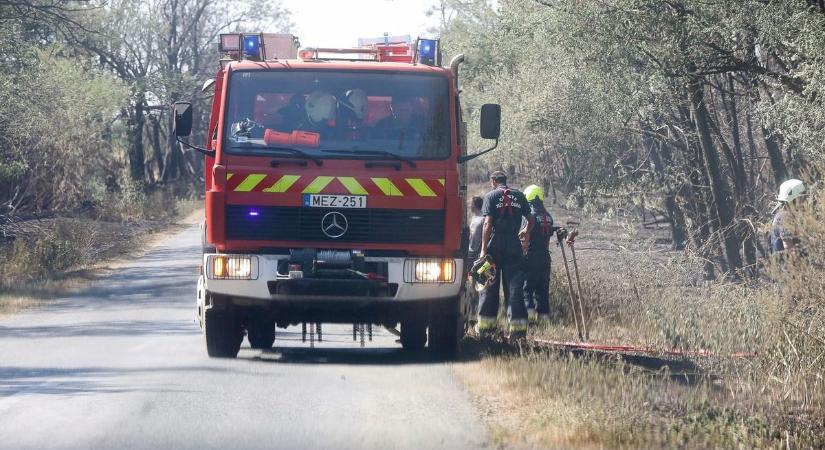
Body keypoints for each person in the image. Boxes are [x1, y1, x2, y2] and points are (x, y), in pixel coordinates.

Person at [477, 171, 534, 339]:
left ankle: (486, 330)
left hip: (495, 245)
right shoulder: (519, 195)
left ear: (493, 181)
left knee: (489, 286)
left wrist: (483, 249)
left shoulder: (490, 196)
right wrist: (525, 231)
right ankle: (518, 332)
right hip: (514, 246)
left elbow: (487, 223)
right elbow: (531, 219)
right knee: (515, 289)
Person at [521, 185, 554, 325]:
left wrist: (523, 254)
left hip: (531, 256)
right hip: (545, 257)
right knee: (542, 290)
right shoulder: (548, 216)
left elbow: (526, 237)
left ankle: (529, 319)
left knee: (526, 288)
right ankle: (544, 320)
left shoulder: (530, 217)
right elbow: (547, 240)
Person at [771, 178, 805, 254]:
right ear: (795, 199)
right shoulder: (785, 217)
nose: (804, 200)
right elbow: (789, 249)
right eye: (802, 197)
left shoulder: (788, 215)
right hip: (788, 261)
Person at [467, 196, 484, 262]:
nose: (470, 206)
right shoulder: (474, 217)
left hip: (477, 252)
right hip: (470, 249)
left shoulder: (482, 218)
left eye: (471, 204)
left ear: (474, 205)